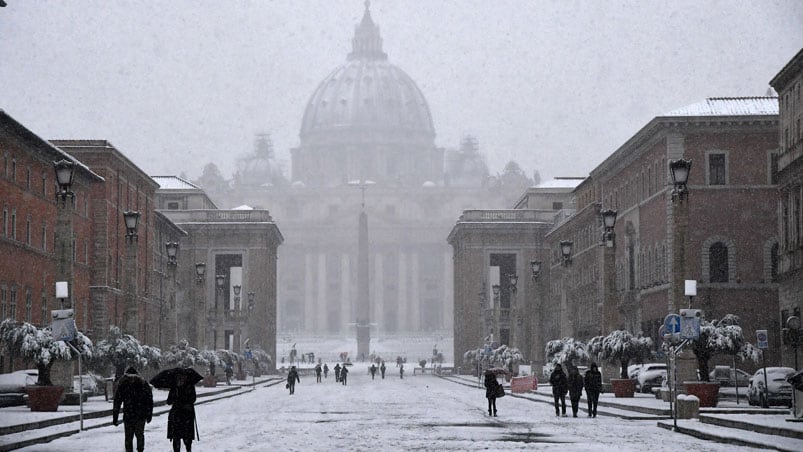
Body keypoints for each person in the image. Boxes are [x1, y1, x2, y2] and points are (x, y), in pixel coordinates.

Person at [112, 366, 153, 452]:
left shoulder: (125, 385)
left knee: (133, 436)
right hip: (135, 415)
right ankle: (137, 449)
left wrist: (115, 417)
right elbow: (149, 401)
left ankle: (137, 450)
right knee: (135, 436)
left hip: (133, 415)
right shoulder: (142, 384)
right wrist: (149, 415)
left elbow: (117, 402)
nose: (132, 379)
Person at [167, 373, 196, 452]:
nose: (181, 379)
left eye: (183, 377)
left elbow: (193, 399)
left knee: (187, 438)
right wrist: (174, 397)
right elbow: (168, 401)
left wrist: (182, 400)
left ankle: (188, 450)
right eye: (179, 377)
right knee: (176, 437)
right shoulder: (174, 388)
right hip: (176, 416)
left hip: (187, 415)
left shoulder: (190, 386)